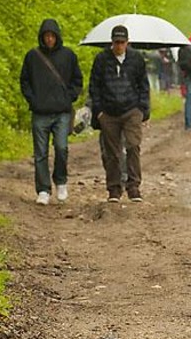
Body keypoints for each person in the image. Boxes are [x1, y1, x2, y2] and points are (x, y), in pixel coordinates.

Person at [19, 18, 83, 205]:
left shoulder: (68, 56)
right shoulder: (32, 57)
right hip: (40, 112)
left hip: (62, 112)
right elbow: (24, 81)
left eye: (52, 36)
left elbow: (77, 80)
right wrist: (33, 99)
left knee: (62, 148)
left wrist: (69, 97)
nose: (49, 39)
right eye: (46, 36)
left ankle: (61, 181)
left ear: (57, 37)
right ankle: (43, 189)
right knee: (40, 153)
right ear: (42, 37)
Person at [89, 25, 151, 203]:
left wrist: (143, 109)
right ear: (111, 42)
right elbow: (94, 85)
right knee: (112, 152)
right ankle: (114, 189)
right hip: (108, 111)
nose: (119, 46)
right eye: (116, 42)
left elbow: (143, 85)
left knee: (133, 146)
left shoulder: (136, 59)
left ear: (127, 42)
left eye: (122, 42)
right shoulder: (101, 59)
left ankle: (134, 187)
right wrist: (98, 111)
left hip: (132, 109)